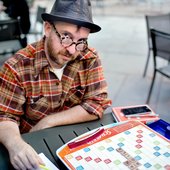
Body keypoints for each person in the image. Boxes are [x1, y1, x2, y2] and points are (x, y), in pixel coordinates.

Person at [0, 0, 111, 169]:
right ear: (47, 28)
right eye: (66, 37)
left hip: (77, 143)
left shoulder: (89, 58)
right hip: (34, 145)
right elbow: (5, 116)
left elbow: (97, 103)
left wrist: (48, 121)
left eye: (81, 41)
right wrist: (16, 144)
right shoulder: (17, 67)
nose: (73, 50)